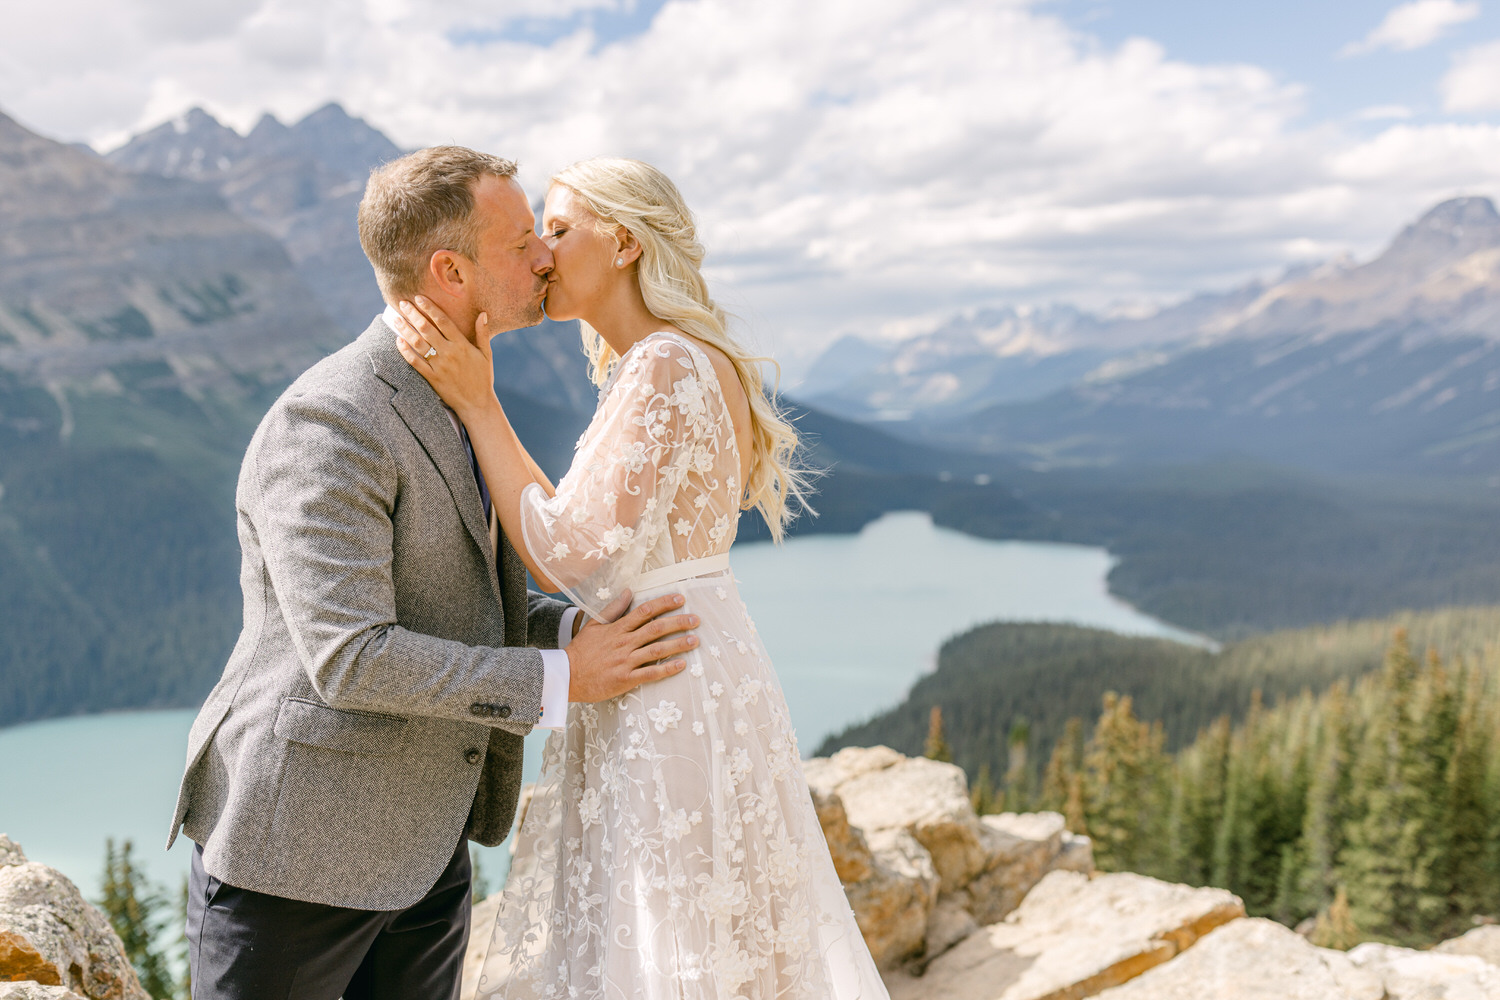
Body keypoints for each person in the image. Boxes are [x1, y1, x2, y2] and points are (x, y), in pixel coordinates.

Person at [168, 146, 700, 1000]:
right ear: (450, 269)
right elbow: (351, 655)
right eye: (523, 237)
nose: (544, 256)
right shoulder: (331, 418)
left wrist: (582, 632)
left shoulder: (456, 388)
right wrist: (564, 679)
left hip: (426, 845)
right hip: (297, 852)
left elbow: (465, 599)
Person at [391, 156, 890, 998]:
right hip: (692, 660)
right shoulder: (686, 359)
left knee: (666, 939)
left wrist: (479, 404)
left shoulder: (661, 364)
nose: (543, 255)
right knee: (708, 934)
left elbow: (576, 560)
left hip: (662, 679)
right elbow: (581, 530)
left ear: (621, 242)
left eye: (558, 229)